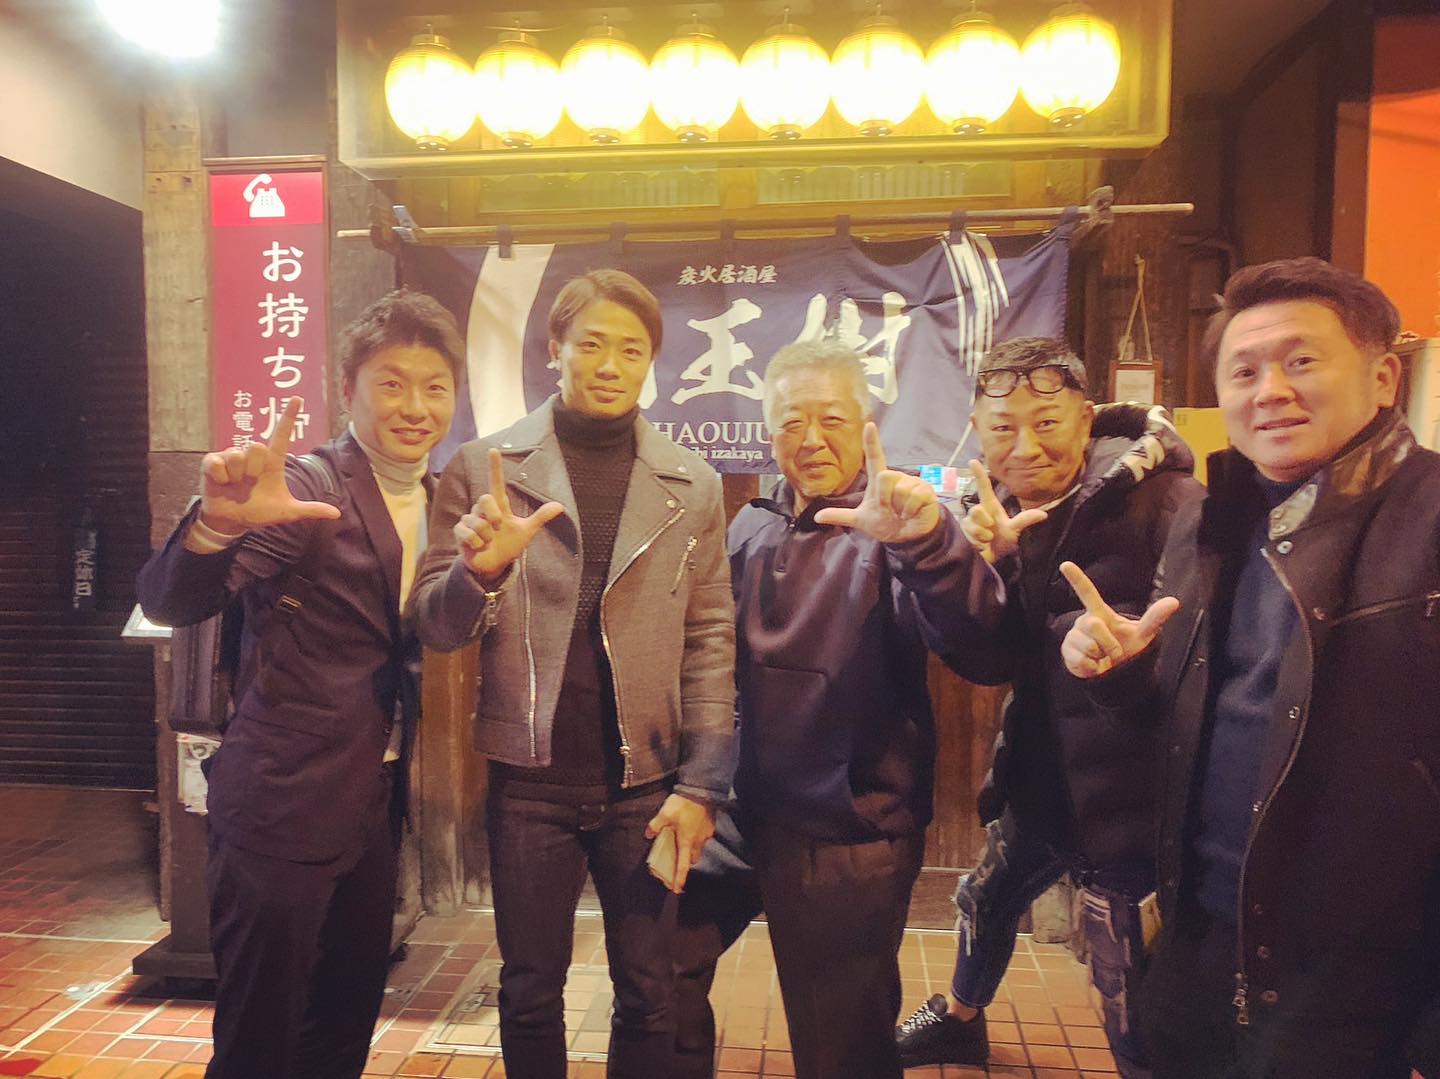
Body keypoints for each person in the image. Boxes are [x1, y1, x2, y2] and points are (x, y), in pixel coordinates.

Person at [1059, 257, 1440, 1079]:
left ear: (1383, 377)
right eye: (1244, 370)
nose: (1270, 390)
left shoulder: (1430, 517)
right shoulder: (1213, 518)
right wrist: (1122, 674)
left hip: (1357, 979)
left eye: (1301, 360)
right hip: (1199, 937)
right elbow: (1189, 723)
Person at [412, 269, 736, 1079]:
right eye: (591, 343)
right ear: (554, 348)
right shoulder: (483, 467)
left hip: (646, 784)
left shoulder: (692, 483)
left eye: (631, 349)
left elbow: (710, 638)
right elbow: (437, 628)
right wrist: (479, 574)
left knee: (649, 990)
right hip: (529, 783)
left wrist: (702, 784)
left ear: (650, 361)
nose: (610, 364)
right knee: (528, 989)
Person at [136, 290, 463, 1079]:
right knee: (261, 1038)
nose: (415, 407)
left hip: (372, 802)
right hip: (280, 805)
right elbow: (172, 601)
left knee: (342, 1026)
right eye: (392, 383)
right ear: (347, 389)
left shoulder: (440, 498)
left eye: (435, 387)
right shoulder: (308, 489)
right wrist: (216, 526)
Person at [674, 340, 1008, 1079]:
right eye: (792, 422)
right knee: (656, 967)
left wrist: (931, 546)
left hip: (849, 827)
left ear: (865, 425)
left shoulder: (897, 523)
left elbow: (981, 650)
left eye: (831, 419)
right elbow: (714, 656)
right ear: (770, 433)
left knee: (840, 1046)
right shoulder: (753, 523)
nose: (811, 439)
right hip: (744, 812)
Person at [894, 338, 1201, 1077]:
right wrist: (979, 569)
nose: (1025, 447)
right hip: (1041, 778)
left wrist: (1133, 660)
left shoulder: (1169, 501)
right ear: (977, 428)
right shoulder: (991, 515)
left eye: (1047, 423)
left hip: (1136, 797)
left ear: (1086, 418)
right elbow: (987, 660)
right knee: (986, 898)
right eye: (1003, 428)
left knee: (1126, 983)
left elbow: (1204, 652)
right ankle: (961, 1020)